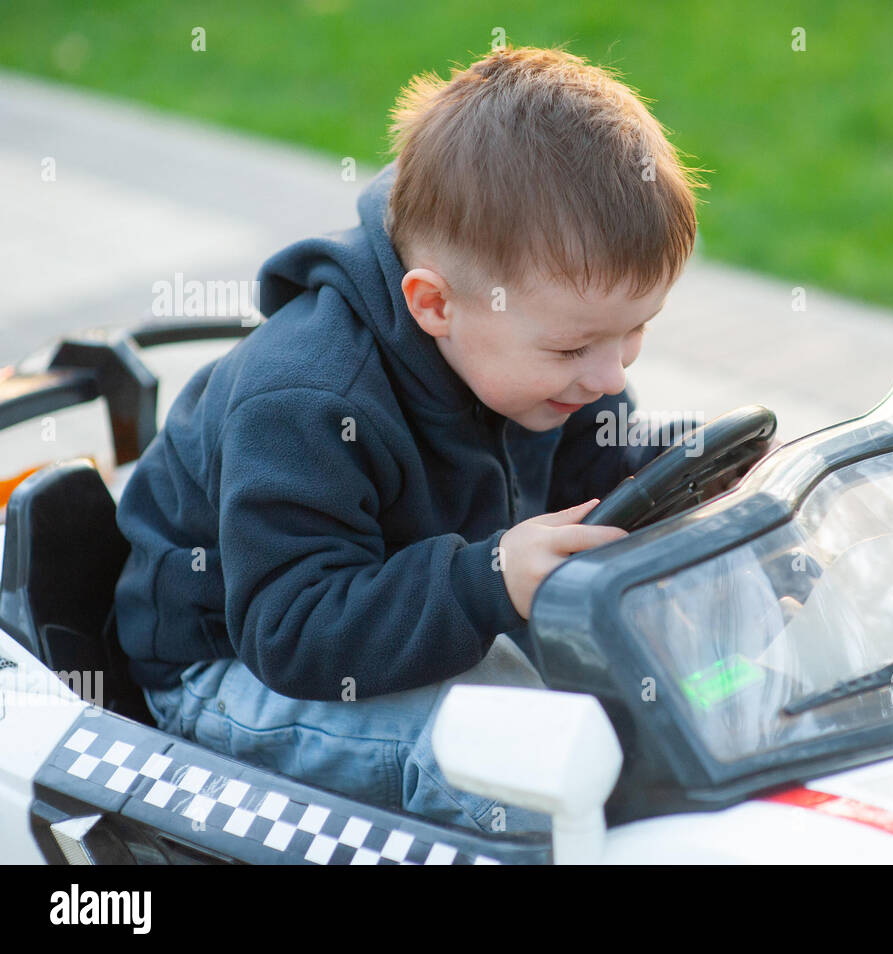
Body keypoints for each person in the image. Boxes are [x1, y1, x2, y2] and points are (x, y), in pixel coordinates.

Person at [112, 45, 709, 834]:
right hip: (236, 668)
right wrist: (487, 581)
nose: (607, 374)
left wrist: (689, 470)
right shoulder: (307, 404)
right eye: (574, 349)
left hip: (418, 612)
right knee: (539, 767)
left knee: (667, 688)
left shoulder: (533, 357)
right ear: (434, 306)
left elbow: (601, 462)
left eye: (635, 332)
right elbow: (294, 630)